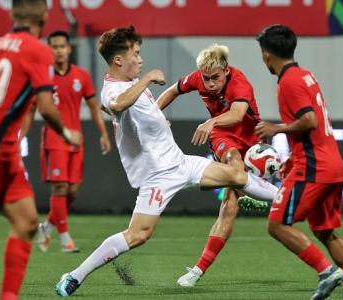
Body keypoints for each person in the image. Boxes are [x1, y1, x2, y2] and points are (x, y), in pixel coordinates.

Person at [55, 25, 277, 297]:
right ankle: (74, 276)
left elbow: (146, 109)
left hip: (181, 163)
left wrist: (159, 119)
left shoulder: (133, 85)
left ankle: (289, 199)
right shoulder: (113, 89)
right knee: (138, 235)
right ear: (118, 60)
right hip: (158, 176)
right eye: (135, 54)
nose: (140, 59)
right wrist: (147, 78)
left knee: (238, 176)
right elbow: (116, 105)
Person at [0, 0, 80, 299]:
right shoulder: (37, 50)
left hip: (4, 154)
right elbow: (46, 107)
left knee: (28, 222)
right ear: (43, 16)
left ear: (12, 14)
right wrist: (67, 133)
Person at [255, 24, 343, 300]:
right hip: (330, 163)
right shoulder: (305, 75)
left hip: (315, 166)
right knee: (324, 230)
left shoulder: (288, 82)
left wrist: (276, 129)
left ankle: (326, 271)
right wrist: (293, 156)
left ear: (267, 56)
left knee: (277, 224)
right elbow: (315, 127)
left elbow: (310, 121)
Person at [157, 44, 274, 287]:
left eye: (215, 78)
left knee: (230, 205)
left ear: (226, 70)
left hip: (252, 140)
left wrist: (210, 121)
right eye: (205, 78)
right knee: (232, 174)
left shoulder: (240, 82)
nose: (209, 84)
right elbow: (171, 91)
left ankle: (257, 195)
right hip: (224, 136)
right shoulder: (197, 78)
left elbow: (237, 114)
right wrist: (154, 116)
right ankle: (198, 271)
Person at [34, 30, 112, 253]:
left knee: (73, 191)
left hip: (76, 140)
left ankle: (46, 227)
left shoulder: (82, 76)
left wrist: (103, 133)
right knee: (59, 188)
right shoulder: (43, 76)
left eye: (61, 46)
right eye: (54, 46)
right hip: (53, 139)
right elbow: (33, 106)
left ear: (69, 49)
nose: (58, 50)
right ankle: (65, 239)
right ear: (49, 50)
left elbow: (93, 107)